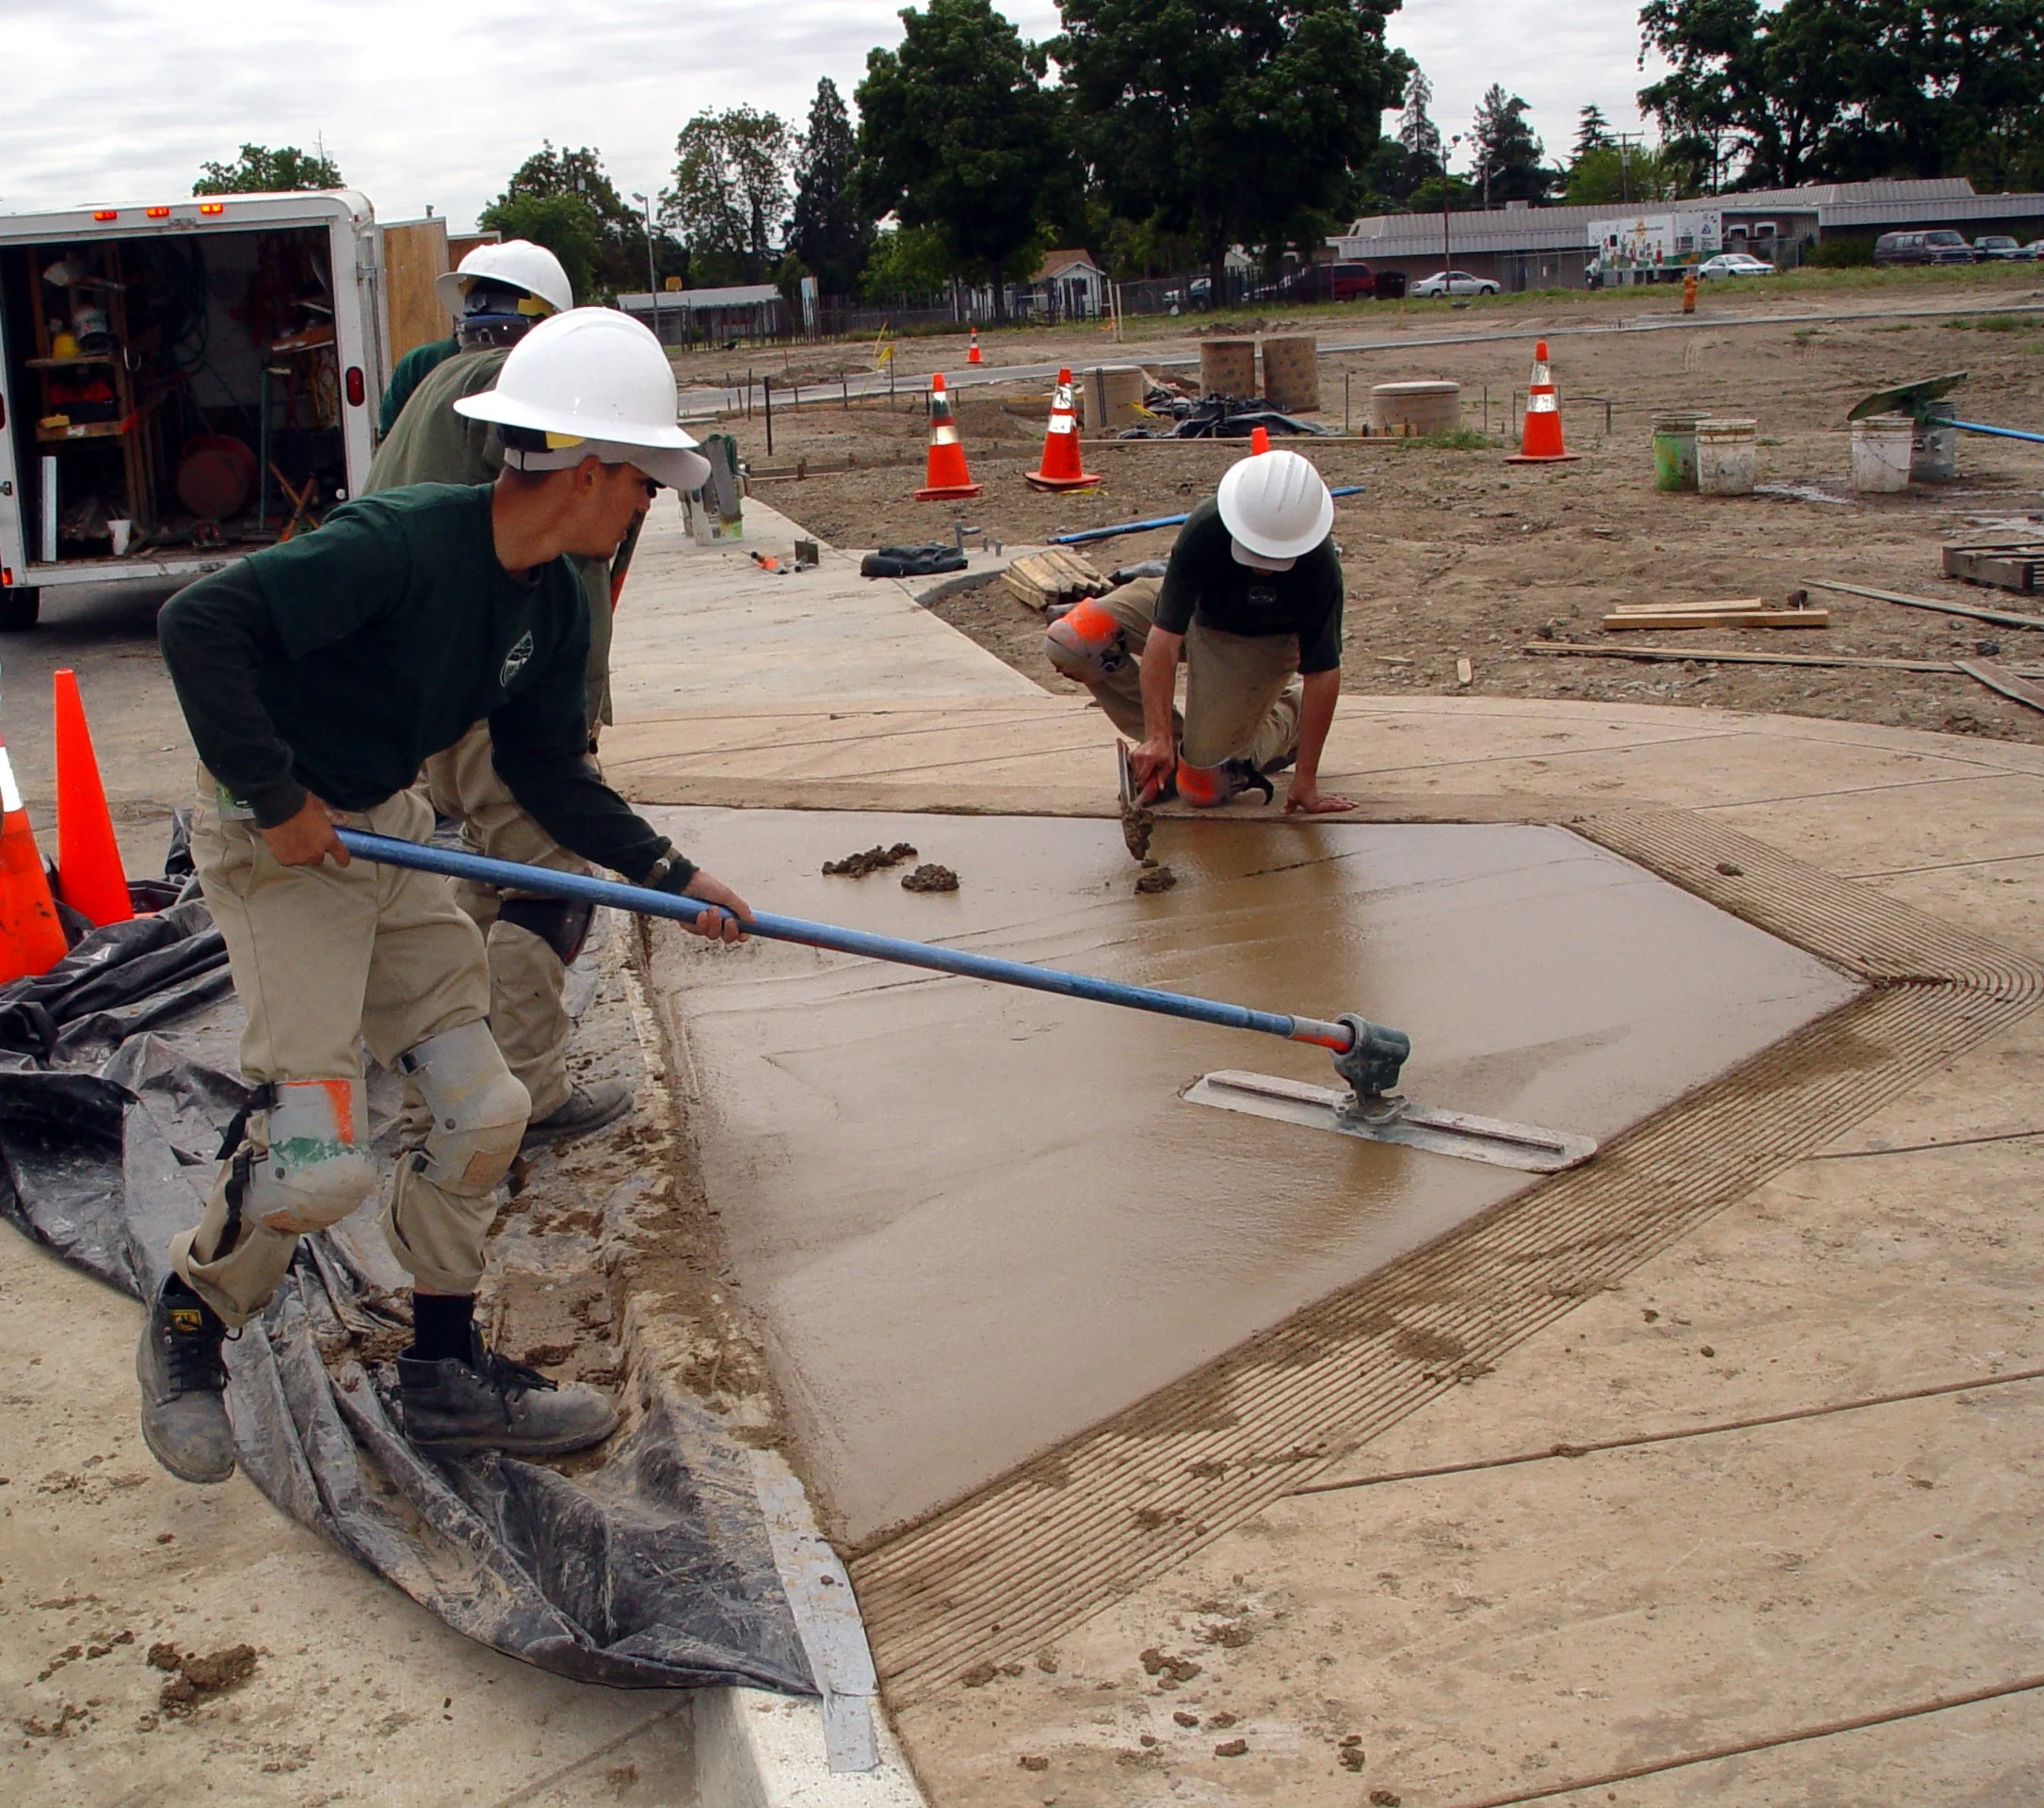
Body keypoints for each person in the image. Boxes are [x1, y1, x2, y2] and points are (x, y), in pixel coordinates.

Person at [139, 308, 746, 1488]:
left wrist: (671, 877)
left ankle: (444, 1368)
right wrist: (275, 799)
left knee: (482, 1108)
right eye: (642, 485)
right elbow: (198, 624)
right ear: (585, 468)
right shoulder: (399, 544)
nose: (643, 512)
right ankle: (188, 1322)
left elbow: (546, 772)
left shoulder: (557, 599)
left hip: (392, 838)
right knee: (316, 1160)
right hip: (282, 853)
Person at [365, 243, 625, 1150]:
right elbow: (569, 534)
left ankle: (449, 1080)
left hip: (431, 683)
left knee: (486, 871)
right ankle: (524, 1096)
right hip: (496, 675)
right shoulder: (523, 395)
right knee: (545, 878)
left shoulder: (433, 389)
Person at [1044, 440, 1357, 814]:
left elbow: (1323, 672)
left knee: (1203, 788)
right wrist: (1157, 734)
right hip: (1198, 615)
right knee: (1073, 640)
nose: (1262, 567)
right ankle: (1174, 753)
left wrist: (1306, 779)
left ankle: (1285, 714)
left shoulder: (1320, 567)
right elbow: (1165, 634)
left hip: (1256, 644)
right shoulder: (1208, 526)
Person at [377, 239, 575, 437]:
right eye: (475, 332)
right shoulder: (420, 366)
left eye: (505, 331)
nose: (485, 349)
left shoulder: (422, 364)